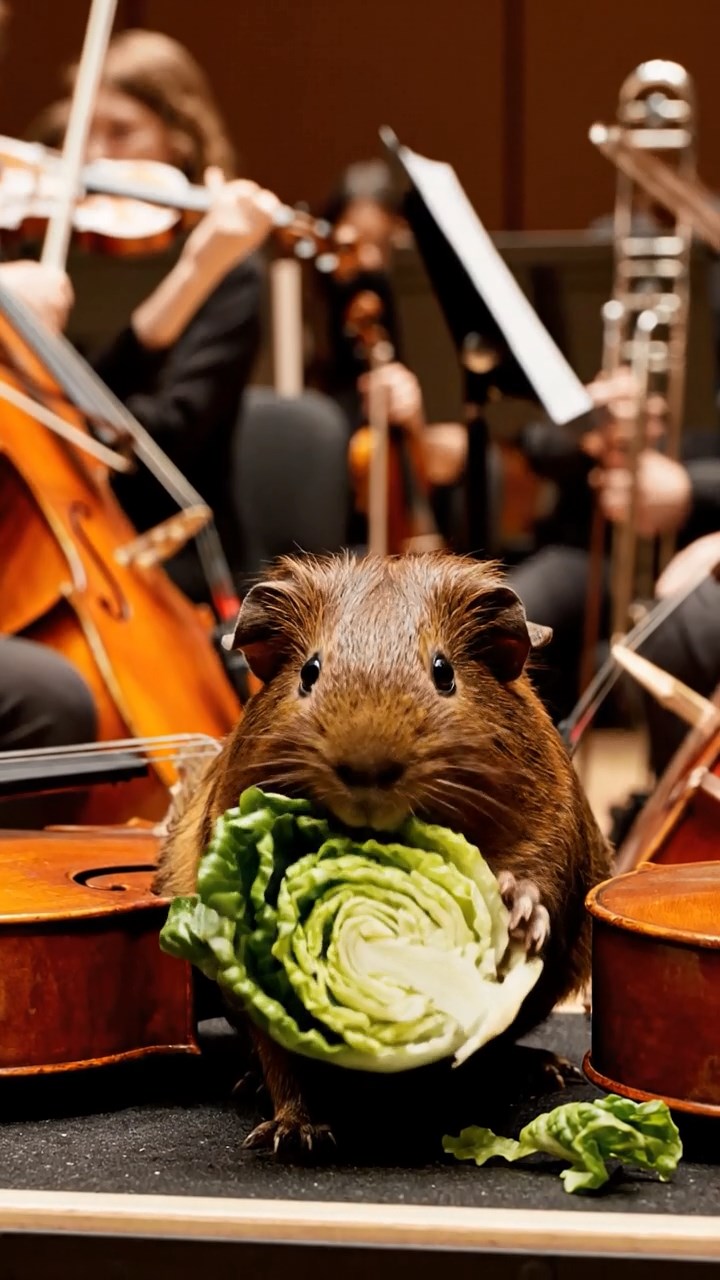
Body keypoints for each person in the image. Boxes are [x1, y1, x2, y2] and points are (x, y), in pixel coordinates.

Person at [25, 29, 280, 604]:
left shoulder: (227, 264)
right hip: (42, 526)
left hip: (170, 550)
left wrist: (192, 275)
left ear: (180, 140)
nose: (95, 155)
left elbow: (160, 448)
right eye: (83, 132)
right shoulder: (43, 247)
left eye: (120, 132)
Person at [309, 159, 468, 541]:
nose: (368, 261)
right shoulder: (310, 318)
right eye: (353, 244)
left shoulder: (422, 318)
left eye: (381, 244)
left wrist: (415, 430)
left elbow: (457, 452)